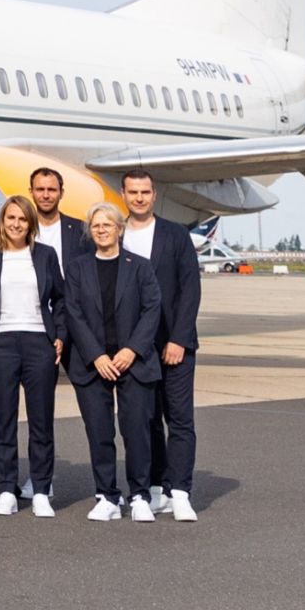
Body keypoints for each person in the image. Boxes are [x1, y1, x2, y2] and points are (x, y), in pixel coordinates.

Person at [63, 203, 161, 521]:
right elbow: (73, 313)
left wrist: (132, 350)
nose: (101, 230)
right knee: (99, 432)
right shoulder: (77, 268)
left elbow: (152, 309)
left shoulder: (140, 267)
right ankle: (107, 495)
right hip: (93, 363)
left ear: (119, 228)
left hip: (133, 362)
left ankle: (140, 495)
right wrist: (96, 355)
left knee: (136, 432)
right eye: (96, 225)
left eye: (107, 224)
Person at [0, 195, 63, 518]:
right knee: (4, 421)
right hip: (0, 342)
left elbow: (61, 299)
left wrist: (60, 336)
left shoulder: (45, 255)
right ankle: (6, 490)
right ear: (2, 221)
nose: (16, 224)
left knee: (41, 421)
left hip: (39, 342)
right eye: (10, 218)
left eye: (22, 219)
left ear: (31, 224)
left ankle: (40, 490)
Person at [121, 172, 202, 521]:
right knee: (147, 420)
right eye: (133, 192)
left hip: (173, 343)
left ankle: (180, 491)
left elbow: (190, 288)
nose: (139, 198)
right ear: (123, 195)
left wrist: (179, 338)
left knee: (179, 419)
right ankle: (156, 487)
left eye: (145, 192)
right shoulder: (117, 234)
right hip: (136, 347)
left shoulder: (176, 234)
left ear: (154, 195)